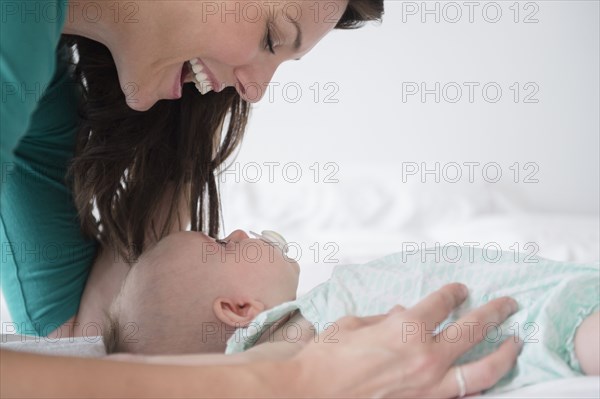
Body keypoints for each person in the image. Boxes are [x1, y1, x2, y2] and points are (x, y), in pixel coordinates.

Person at [1, 0, 523, 396]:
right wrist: (289, 379)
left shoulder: (36, 70)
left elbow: (88, 339)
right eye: (272, 36)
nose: (255, 90)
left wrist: (184, 120)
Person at [100, 229, 599, 395]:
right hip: (538, 322)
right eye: (221, 244)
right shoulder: (304, 332)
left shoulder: (303, 321)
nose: (237, 233)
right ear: (237, 309)